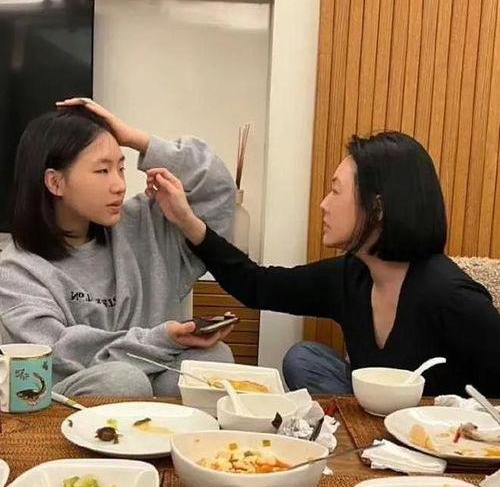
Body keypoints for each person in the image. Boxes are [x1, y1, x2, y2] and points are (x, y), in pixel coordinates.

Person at [143, 131, 500, 397]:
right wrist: (187, 221)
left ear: (377, 207)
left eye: (336, 191)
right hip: (379, 418)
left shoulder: (451, 296)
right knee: (304, 358)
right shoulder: (353, 274)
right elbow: (257, 285)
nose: (324, 204)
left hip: (441, 438)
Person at [0, 98, 236, 397]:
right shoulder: (17, 269)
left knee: (215, 360)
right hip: (76, 397)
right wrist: (161, 339)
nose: (119, 185)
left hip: (153, 372)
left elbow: (218, 188)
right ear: (55, 182)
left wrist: (134, 138)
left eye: (121, 168)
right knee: (123, 382)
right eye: (103, 171)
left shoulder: (142, 225)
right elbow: (60, 355)